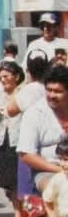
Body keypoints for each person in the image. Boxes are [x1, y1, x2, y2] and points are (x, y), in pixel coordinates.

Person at [18, 65, 68, 194]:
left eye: (57, 91)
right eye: (49, 90)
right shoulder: (34, 114)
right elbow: (26, 155)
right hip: (48, 171)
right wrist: (61, 171)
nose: (51, 95)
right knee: (62, 188)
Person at [0, 62, 26, 217]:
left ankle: (20, 216)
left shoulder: (23, 94)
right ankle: (18, 214)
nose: (3, 80)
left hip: (18, 139)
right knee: (7, 181)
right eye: (1, 77)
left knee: (18, 180)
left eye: (6, 76)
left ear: (16, 77)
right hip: (1, 139)